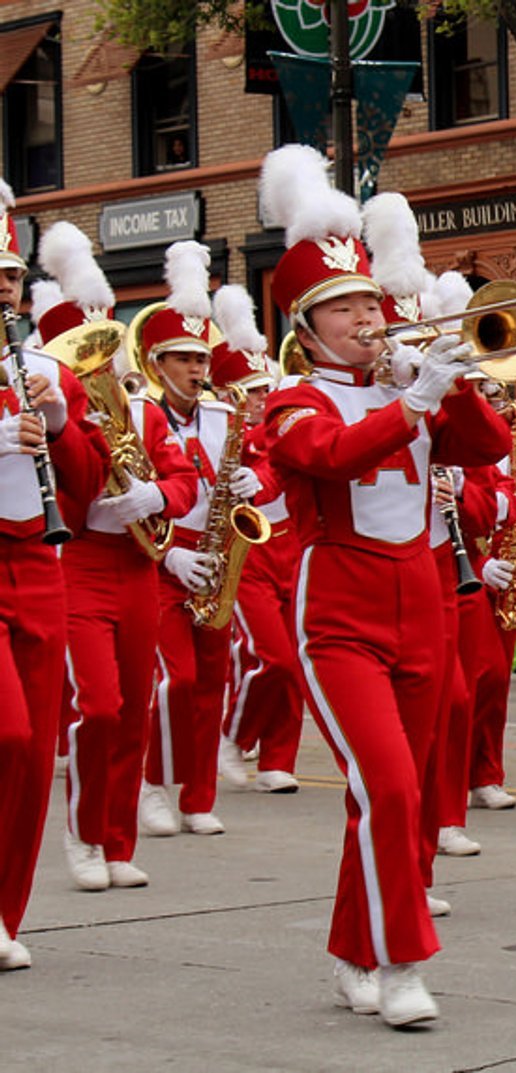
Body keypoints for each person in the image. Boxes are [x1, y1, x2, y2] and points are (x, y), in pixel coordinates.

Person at [257, 144, 509, 1025]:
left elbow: (489, 453)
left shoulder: (410, 383)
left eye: (371, 299)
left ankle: (352, 949)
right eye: (345, 306)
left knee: (386, 794)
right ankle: (403, 963)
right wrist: (408, 406)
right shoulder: (293, 397)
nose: (369, 316)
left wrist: (449, 388)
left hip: (424, 608)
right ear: (307, 327)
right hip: (340, 617)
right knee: (394, 790)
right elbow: (320, 456)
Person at [43, 221, 199, 893]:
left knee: (133, 705)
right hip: (80, 566)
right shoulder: (60, 416)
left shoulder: (149, 414)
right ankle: (82, 833)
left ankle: (116, 839)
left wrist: (155, 494)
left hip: (136, 569)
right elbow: (76, 481)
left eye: (106, 351)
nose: (101, 367)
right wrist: (74, 424)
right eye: (88, 356)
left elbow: (187, 480)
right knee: (97, 706)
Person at [0, 190, 106, 969]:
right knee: (4, 729)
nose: (0, 288)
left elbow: (90, 480)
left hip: (39, 557)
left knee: (34, 749)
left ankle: (5, 912)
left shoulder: (44, 368)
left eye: (8, 276)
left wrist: (62, 425)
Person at [139, 241, 262, 839]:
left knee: (212, 678)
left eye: (200, 357)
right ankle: (153, 784)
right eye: (182, 358)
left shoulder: (225, 417)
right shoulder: (140, 416)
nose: (196, 368)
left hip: (216, 561)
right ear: (155, 363)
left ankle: (197, 795)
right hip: (161, 559)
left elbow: (268, 470)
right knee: (174, 680)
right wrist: (168, 553)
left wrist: (255, 477)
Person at [208, 286, 304, 794]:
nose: (262, 401)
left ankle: (278, 758)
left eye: (264, 390)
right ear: (227, 396)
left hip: (292, 547)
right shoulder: (218, 431)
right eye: (251, 393)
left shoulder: (281, 428)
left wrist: (262, 475)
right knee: (272, 656)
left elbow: (288, 467)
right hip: (247, 557)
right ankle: (233, 735)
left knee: (296, 662)